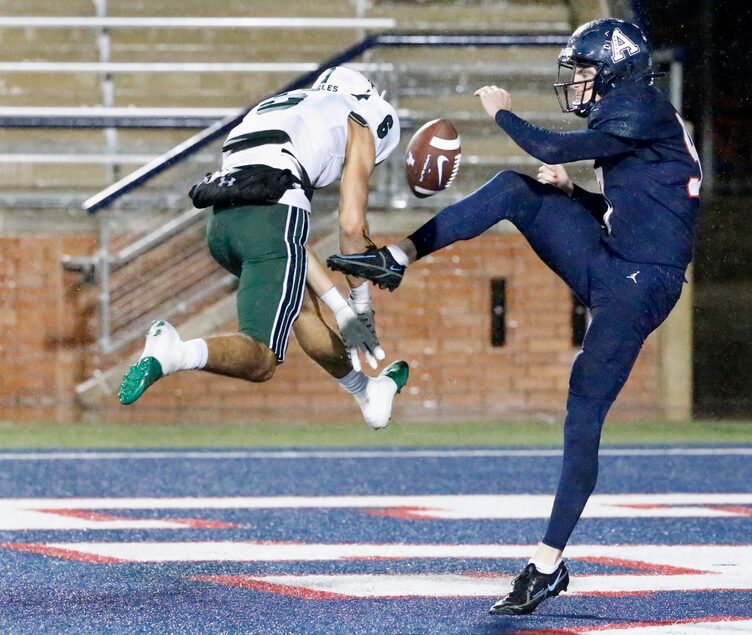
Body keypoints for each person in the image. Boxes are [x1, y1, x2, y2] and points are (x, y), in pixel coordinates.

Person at [328, 19, 702, 613]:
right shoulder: (637, 118)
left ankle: (546, 563)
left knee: (584, 412)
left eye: (583, 69)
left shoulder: (643, 107)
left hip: (639, 284)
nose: (576, 81)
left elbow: (553, 147)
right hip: (615, 258)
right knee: (514, 190)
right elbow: (635, 205)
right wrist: (576, 196)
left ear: (614, 68)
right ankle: (399, 257)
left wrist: (501, 113)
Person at [118, 66, 409, 429]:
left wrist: (340, 309)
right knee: (261, 361)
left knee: (301, 312)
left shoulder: (288, 110)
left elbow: (293, 244)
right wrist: (361, 306)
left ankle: (366, 392)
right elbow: (351, 225)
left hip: (224, 225)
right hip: (272, 214)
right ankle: (177, 353)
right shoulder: (358, 118)